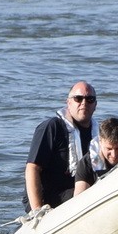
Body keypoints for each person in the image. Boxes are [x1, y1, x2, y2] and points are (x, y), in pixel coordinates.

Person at [23, 81, 97, 212]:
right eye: (78, 98)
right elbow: (32, 168)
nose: (84, 103)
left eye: (90, 99)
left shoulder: (100, 134)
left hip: (81, 190)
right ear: (68, 103)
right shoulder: (52, 127)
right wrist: (37, 211)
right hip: (49, 197)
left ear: (95, 104)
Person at [73, 117, 118, 196]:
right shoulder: (86, 163)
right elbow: (79, 196)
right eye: (109, 149)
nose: (114, 155)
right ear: (100, 141)